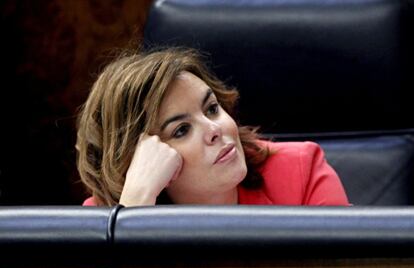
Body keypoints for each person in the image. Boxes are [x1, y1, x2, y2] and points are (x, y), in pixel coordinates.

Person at [76, 47, 350, 207]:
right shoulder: (112, 210)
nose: (214, 129)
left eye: (211, 108)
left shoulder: (301, 172)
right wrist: (137, 202)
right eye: (181, 130)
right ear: (140, 160)